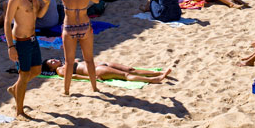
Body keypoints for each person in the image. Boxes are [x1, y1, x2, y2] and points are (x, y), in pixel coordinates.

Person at [5, 0, 52, 117]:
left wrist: (47, 3)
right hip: (20, 41)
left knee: (37, 70)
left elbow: (38, 16)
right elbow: (7, 22)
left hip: (32, 39)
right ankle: (19, 112)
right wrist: (10, 47)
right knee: (24, 75)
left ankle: (15, 88)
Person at [60, 0, 100, 95]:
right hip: (84, 25)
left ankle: (66, 90)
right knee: (89, 59)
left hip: (69, 27)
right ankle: (94, 87)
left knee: (69, 62)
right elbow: (97, 0)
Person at [42, 58, 172, 84]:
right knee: (125, 75)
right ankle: (153, 79)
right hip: (96, 70)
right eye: (51, 63)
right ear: (51, 69)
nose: (54, 61)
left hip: (100, 63)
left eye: (52, 59)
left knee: (130, 69)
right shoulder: (60, 70)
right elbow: (73, 76)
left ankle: (158, 73)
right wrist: (89, 79)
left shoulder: (66, 61)